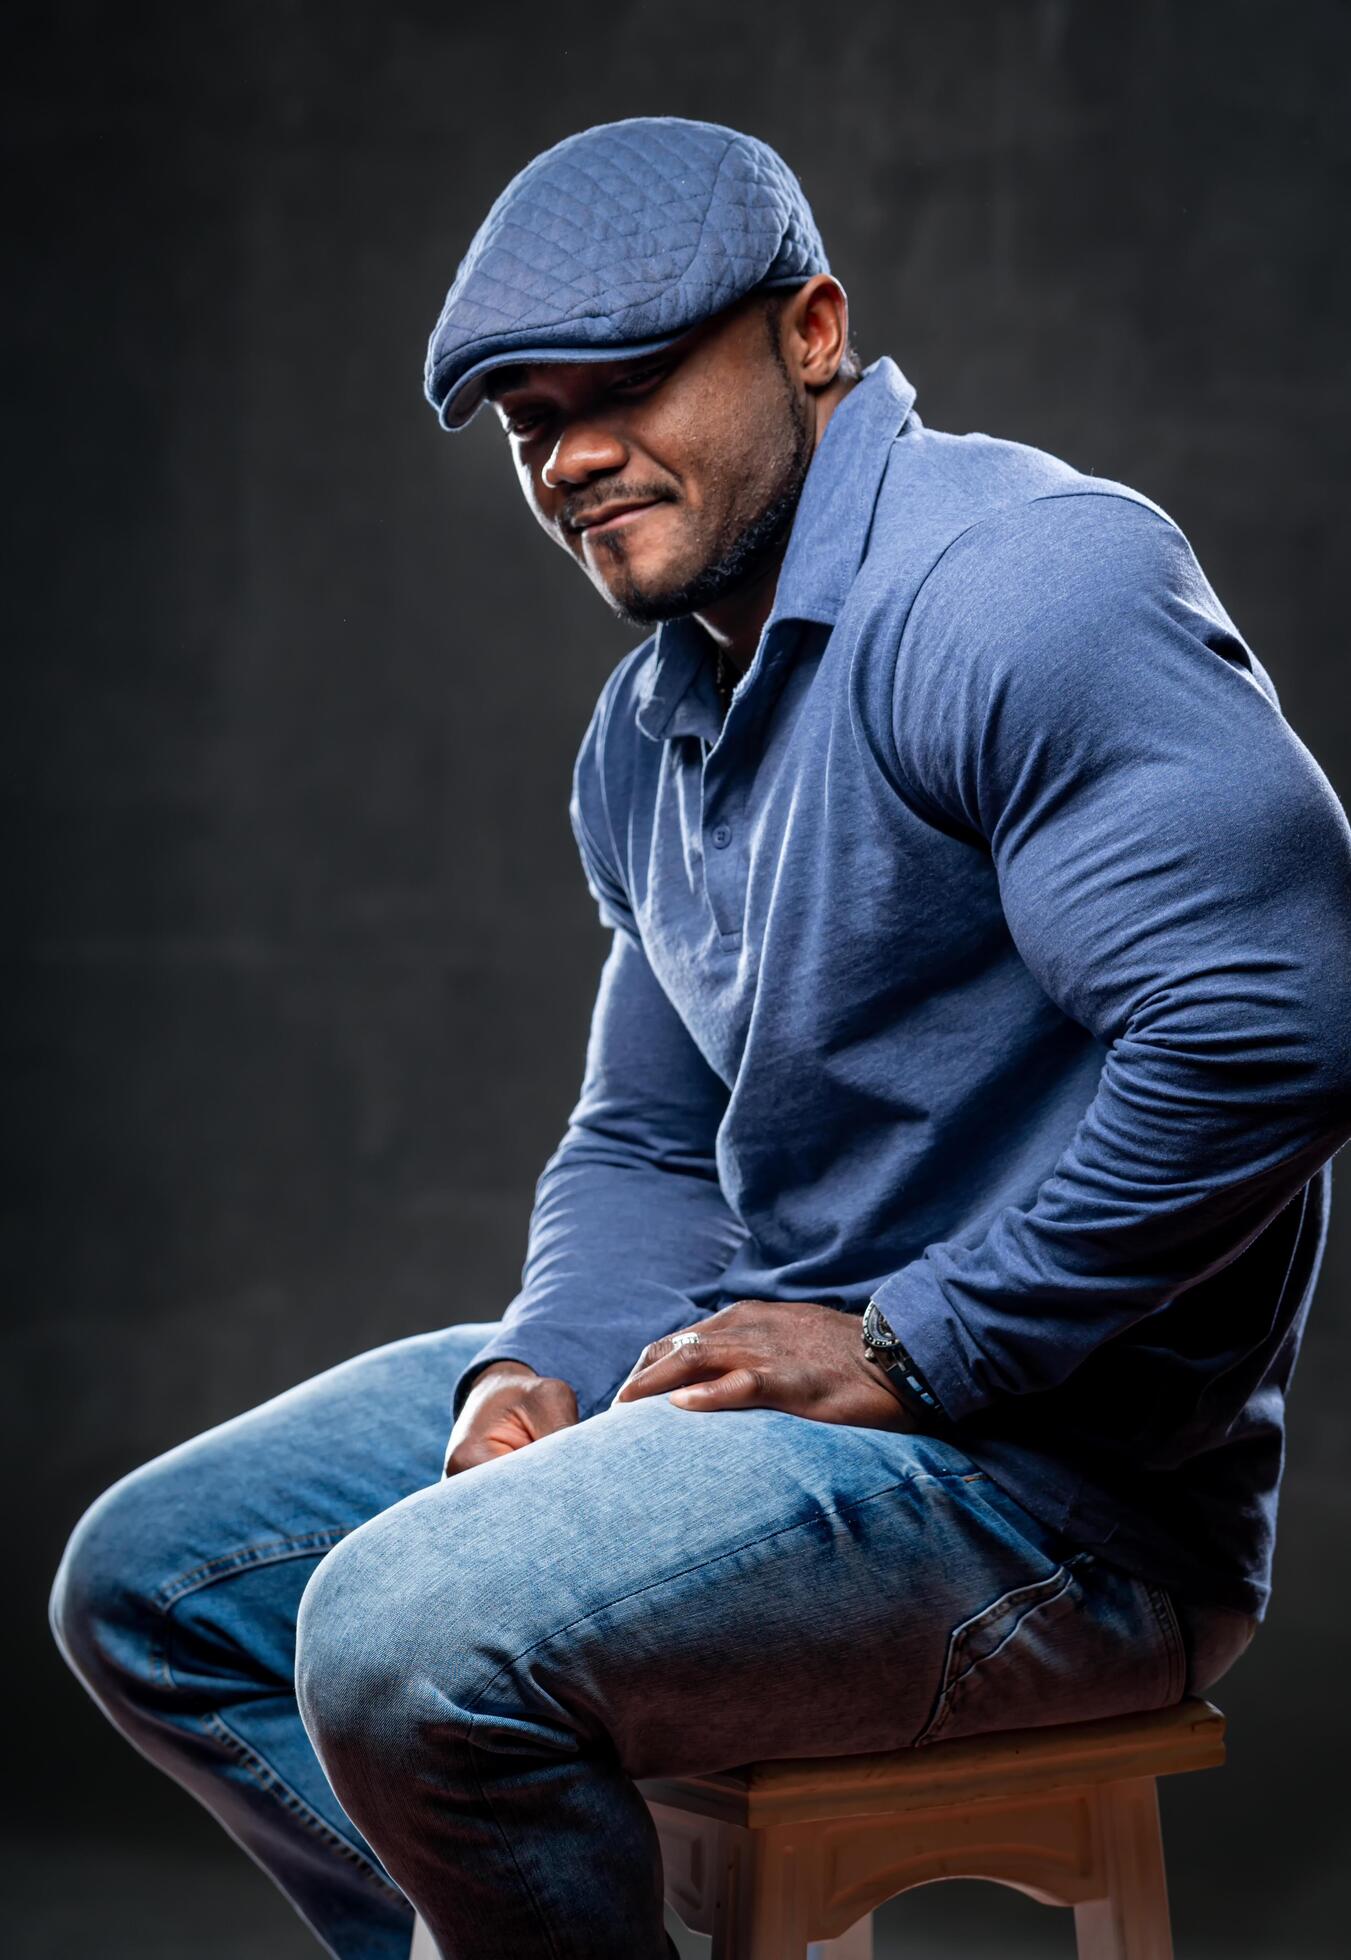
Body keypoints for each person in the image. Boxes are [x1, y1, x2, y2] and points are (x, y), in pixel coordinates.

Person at [49, 116, 1351, 1960]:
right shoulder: (651, 732)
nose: (575, 456)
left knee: (405, 1632)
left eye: (630, 382)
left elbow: (1275, 1031)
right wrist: (545, 1376)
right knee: (158, 1585)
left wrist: (918, 1345)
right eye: (527, 420)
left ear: (812, 330)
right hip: (769, 1404)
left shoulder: (1023, 590)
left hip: (1067, 1509)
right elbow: (648, 1140)